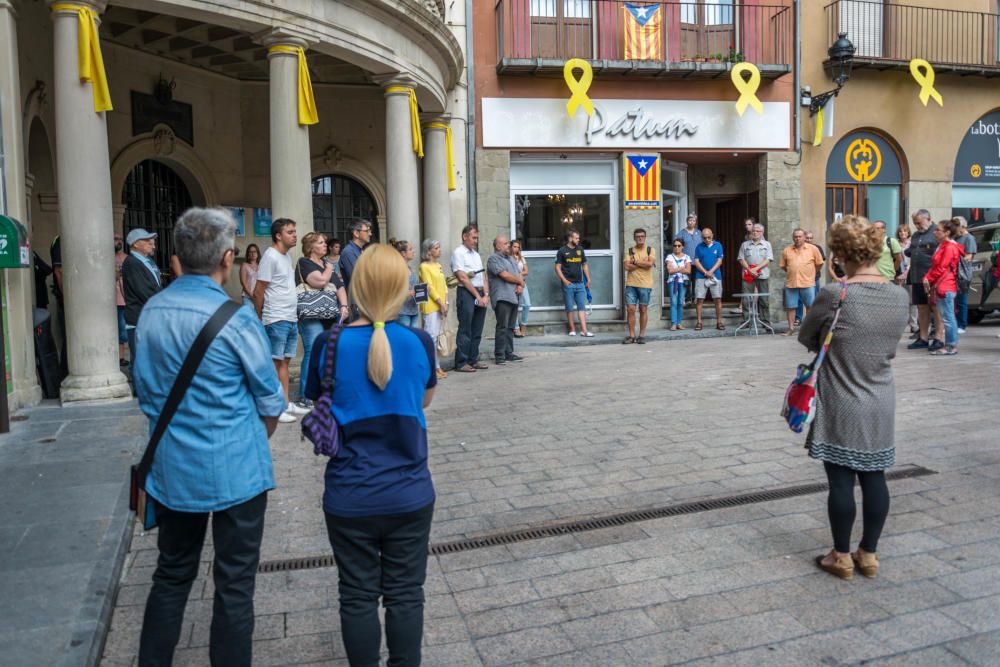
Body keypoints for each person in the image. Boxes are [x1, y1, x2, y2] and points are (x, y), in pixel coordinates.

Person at [134, 207, 285, 666]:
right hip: (237, 468)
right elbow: (271, 401)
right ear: (226, 258)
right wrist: (246, 437)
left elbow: (143, 392)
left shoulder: (153, 311)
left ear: (178, 256)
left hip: (174, 469)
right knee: (235, 584)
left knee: (172, 574)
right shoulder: (237, 320)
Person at [303, 244, 437, 667]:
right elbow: (425, 400)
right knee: (405, 594)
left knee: (357, 595)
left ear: (356, 286)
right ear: (401, 288)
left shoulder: (327, 344)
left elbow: (316, 399)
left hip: (350, 494)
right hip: (409, 493)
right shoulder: (419, 342)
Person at [799, 215, 909, 581]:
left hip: (841, 393)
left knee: (841, 480)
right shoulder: (898, 296)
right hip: (880, 395)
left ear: (841, 253)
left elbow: (808, 337)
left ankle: (841, 556)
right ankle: (870, 554)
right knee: (875, 475)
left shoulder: (836, 293)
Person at [253, 218, 307, 423]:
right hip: (276, 317)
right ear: (278, 235)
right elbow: (259, 290)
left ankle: (284, 402)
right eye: (290, 232)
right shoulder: (270, 256)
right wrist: (261, 317)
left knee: (284, 362)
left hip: (289, 316)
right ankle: (274, 407)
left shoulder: (286, 256)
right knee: (275, 364)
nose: (295, 235)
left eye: (295, 231)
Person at [295, 232, 350, 410]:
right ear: (311, 247)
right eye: (320, 243)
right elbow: (319, 281)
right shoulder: (305, 263)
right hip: (311, 315)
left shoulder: (326, 264)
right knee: (312, 351)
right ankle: (305, 395)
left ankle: (324, 391)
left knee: (329, 351)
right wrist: (328, 269)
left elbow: (340, 286)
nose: (325, 245)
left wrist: (344, 306)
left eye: (325, 242)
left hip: (330, 313)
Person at [121, 228, 162, 367]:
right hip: (139, 318)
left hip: (149, 317)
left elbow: (154, 287)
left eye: (153, 243)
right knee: (141, 360)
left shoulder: (147, 261)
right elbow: (143, 291)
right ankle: (139, 389)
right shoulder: (132, 263)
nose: (153, 245)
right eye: (148, 242)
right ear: (136, 244)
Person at [452, 225, 490, 372]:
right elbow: (462, 277)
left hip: (480, 293)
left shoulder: (476, 254)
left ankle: (473, 360)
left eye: (477, 238)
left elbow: (483, 275)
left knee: (477, 330)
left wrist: (485, 295)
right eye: (474, 238)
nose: (476, 241)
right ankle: (461, 362)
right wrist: (477, 296)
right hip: (467, 293)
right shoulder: (458, 253)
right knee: (465, 329)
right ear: (465, 236)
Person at [923, 218, 964, 356]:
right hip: (943, 285)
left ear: (946, 232)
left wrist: (927, 278)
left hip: (945, 286)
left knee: (948, 317)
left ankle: (951, 346)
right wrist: (928, 277)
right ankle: (950, 345)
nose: (935, 232)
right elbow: (937, 267)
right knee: (947, 316)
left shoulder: (949, 247)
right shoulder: (944, 245)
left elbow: (940, 268)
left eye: (938, 230)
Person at [904, 210, 939, 350]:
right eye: (915, 223)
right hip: (917, 276)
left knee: (935, 308)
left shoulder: (937, 232)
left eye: (919, 222)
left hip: (932, 278)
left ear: (928, 218)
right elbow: (911, 253)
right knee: (921, 307)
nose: (917, 226)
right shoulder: (916, 235)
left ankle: (938, 337)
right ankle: (923, 337)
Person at [487, 235, 525, 365]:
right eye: (505, 244)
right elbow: (505, 275)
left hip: (513, 297)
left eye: (508, 243)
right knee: (502, 327)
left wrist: (520, 285)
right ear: (498, 246)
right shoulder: (493, 259)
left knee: (510, 327)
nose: (508, 245)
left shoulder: (511, 259)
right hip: (502, 297)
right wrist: (519, 281)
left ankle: (509, 353)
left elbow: (519, 274)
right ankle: (500, 356)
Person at [780, 228, 824, 335]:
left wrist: (811, 274)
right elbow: (783, 266)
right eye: (795, 236)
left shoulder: (813, 249)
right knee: (790, 307)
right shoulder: (787, 250)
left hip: (808, 282)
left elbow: (819, 264)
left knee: (810, 306)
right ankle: (791, 329)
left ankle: (808, 330)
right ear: (793, 237)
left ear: (804, 237)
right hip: (791, 283)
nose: (798, 238)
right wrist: (793, 272)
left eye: (800, 236)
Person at [418, 238, 448, 380]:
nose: (439, 250)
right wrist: (440, 303)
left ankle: (436, 366)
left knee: (436, 337)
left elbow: (444, 286)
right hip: (431, 305)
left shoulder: (438, 265)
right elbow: (429, 287)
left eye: (439, 247)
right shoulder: (424, 267)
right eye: (436, 248)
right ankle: (430, 368)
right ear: (428, 251)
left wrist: (446, 302)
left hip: (441, 304)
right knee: (430, 337)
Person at [555, 229, 594, 337]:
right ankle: (572, 329)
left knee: (582, 306)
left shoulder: (580, 249)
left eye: (578, 238)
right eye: (576, 238)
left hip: (580, 283)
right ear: (570, 238)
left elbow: (584, 265)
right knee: (569, 307)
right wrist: (564, 280)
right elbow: (557, 268)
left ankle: (584, 331)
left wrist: (588, 279)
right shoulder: (562, 251)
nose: (578, 240)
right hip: (568, 284)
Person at [623, 228, 656, 344]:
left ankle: (641, 335)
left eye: (642, 236)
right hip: (631, 284)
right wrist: (643, 263)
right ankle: (631, 336)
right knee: (630, 309)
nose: (640, 238)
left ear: (645, 237)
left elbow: (650, 264)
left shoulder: (650, 250)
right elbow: (626, 267)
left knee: (643, 309)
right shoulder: (630, 250)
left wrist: (635, 262)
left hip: (645, 284)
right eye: (638, 236)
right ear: (634, 238)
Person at [737, 223, 773, 326]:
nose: (755, 233)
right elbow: (741, 258)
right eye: (753, 231)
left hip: (762, 275)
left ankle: (765, 321)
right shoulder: (745, 244)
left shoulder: (767, 244)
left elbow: (768, 259)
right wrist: (749, 269)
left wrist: (756, 269)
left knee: (764, 299)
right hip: (748, 275)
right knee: (746, 298)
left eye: (758, 231)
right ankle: (746, 321)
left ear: (762, 232)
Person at [692, 228, 724, 331]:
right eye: (704, 238)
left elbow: (719, 261)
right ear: (702, 238)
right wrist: (705, 272)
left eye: (709, 237)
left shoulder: (718, 245)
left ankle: (719, 322)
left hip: (716, 276)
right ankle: (699, 322)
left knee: (717, 299)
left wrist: (711, 272)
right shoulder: (698, 247)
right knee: (700, 299)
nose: (707, 239)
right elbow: (696, 261)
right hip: (701, 276)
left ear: (712, 235)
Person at [953, 216, 977, 334]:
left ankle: (962, 324)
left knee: (962, 299)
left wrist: (956, 257)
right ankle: (956, 323)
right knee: (955, 300)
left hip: (963, 273)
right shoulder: (956, 238)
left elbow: (969, 256)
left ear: (962, 227)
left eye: (956, 226)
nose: (954, 229)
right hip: (954, 272)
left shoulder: (969, 238)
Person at [800, 230, 827, 326]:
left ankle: (813, 320)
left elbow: (821, 262)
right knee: (800, 300)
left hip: (814, 278)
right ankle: (798, 319)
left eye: (811, 238)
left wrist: (813, 272)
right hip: (800, 278)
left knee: (814, 299)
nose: (809, 240)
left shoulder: (817, 248)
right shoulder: (799, 248)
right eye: (807, 238)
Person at [896, 224, 918, 334]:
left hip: (910, 273)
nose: (902, 234)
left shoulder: (912, 244)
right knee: (900, 300)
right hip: (898, 274)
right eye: (900, 232)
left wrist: (906, 272)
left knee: (912, 300)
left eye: (905, 232)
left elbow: (913, 260)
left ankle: (914, 324)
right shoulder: (895, 244)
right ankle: (901, 324)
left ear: (908, 233)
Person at [393, 240, 421, 328]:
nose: (413, 251)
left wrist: (423, 290)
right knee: (404, 339)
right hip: (402, 312)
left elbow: (413, 288)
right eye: (410, 249)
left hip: (414, 310)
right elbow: (394, 293)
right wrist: (410, 292)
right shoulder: (396, 269)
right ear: (403, 253)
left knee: (413, 337)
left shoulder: (410, 268)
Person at [665, 238, 691, 331]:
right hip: (673, 281)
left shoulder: (687, 257)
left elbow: (688, 270)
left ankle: (679, 323)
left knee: (680, 302)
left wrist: (677, 269)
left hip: (683, 282)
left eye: (679, 245)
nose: (677, 247)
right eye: (675, 245)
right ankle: (673, 323)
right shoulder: (670, 257)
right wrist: (681, 268)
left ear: (682, 246)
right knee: (674, 302)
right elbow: (670, 271)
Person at [339, 218, 373, 290]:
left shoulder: (361, 250)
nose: (370, 234)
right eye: (367, 231)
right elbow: (357, 278)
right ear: (356, 233)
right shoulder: (348, 252)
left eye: (370, 231)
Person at [675, 213, 701, 304]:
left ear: (695, 222)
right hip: (686, 262)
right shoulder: (682, 233)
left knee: (696, 280)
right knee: (686, 280)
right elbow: (677, 245)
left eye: (693, 220)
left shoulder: (699, 233)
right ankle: (687, 298)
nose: (691, 222)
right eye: (690, 220)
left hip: (697, 261)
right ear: (687, 221)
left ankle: (695, 298)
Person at [114, 232, 129, 366]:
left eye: (120, 239)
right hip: (109, 300)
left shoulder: (126, 258)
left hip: (122, 299)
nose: (119, 241)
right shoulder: (104, 257)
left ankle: (121, 357)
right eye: (115, 239)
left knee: (122, 329)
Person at [511, 239, 531, 337]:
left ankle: (523, 326)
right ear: (511, 247)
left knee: (527, 304)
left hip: (522, 283)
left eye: (518, 247)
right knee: (514, 305)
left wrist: (519, 274)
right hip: (511, 284)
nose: (516, 249)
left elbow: (526, 271)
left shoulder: (521, 258)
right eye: (514, 246)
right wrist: (518, 275)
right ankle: (516, 328)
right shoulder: (508, 258)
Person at [240, 243, 260, 309]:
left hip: (259, 298)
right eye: (250, 252)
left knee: (258, 319)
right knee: (249, 318)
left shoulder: (261, 266)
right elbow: (243, 283)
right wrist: (252, 295)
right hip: (247, 297)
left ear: (257, 253)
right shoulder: (244, 265)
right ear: (248, 254)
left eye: (254, 251)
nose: (253, 253)